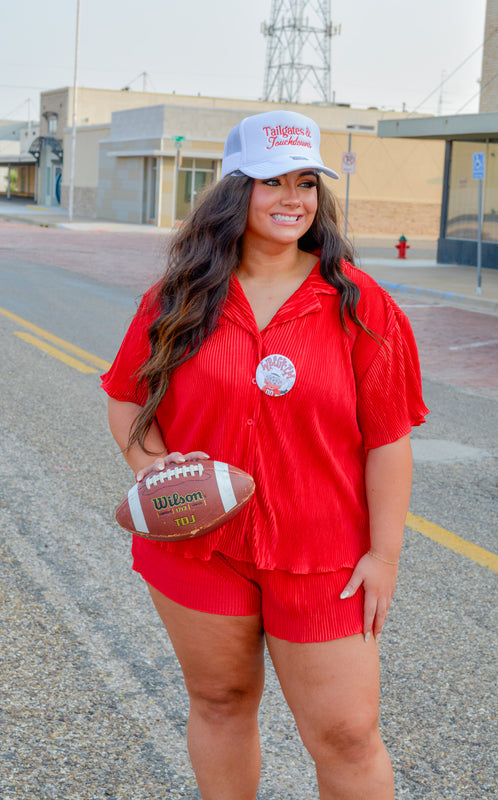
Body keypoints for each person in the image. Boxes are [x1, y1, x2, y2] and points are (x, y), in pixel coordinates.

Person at [102, 110, 429, 800]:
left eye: (305, 182)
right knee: (219, 700)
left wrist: (384, 556)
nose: (292, 198)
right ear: (233, 190)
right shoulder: (179, 296)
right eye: (270, 180)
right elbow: (128, 398)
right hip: (200, 543)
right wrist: (155, 473)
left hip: (324, 554)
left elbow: (388, 440)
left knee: (346, 733)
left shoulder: (358, 303)